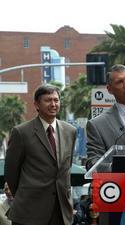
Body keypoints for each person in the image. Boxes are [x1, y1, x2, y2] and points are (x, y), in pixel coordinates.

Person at [4, 84, 77, 225]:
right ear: (36, 104)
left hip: (61, 210)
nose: (53, 104)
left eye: (56, 100)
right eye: (48, 100)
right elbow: (11, 172)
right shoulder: (21, 132)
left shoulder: (70, 131)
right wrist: (25, 195)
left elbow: (65, 168)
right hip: (29, 211)